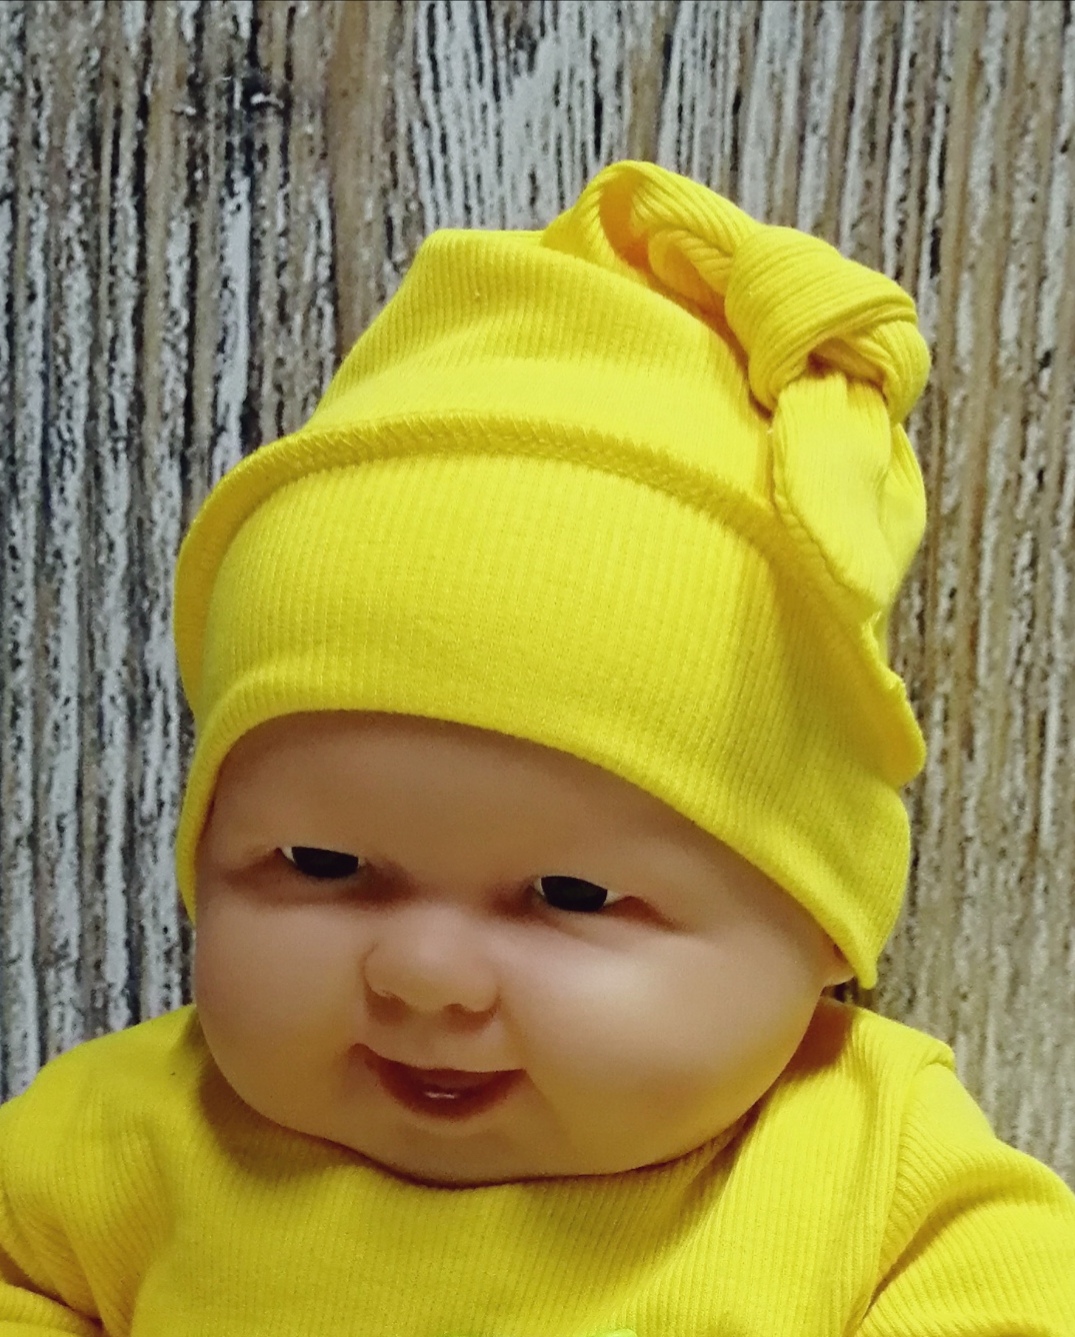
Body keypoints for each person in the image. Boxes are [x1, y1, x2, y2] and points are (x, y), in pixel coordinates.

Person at [1, 160, 1072, 1336]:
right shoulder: (124, 1139)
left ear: (822, 923)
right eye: (320, 863)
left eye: (570, 893)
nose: (422, 971)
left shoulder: (874, 1169)